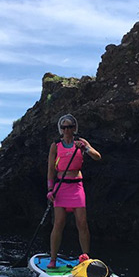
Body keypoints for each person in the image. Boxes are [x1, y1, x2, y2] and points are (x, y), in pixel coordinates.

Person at [46, 114, 101, 268]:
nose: (67, 130)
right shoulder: (55, 145)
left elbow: (97, 157)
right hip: (61, 186)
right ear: (60, 129)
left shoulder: (81, 142)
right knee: (59, 223)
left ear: (74, 128)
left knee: (82, 223)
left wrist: (86, 148)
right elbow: (51, 169)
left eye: (70, 126)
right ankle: (53, 259)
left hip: (77, 187)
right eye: (64, 127)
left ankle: (86, 259)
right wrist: (50, 189)